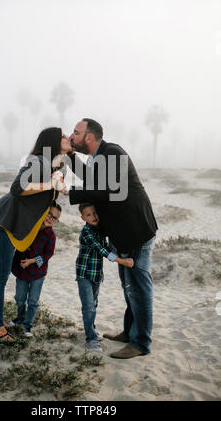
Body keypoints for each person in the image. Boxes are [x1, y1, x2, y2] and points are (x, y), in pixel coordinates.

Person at [64, 118, 158, 359]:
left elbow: (106, 189)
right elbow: (91, 178)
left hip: (136, 231)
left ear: (90, 136)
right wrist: (69, 154)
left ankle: (141, 343)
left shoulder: (112, 152)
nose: (72, 135)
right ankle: (129, 332)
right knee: (130, 289)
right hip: (121, 234)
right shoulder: (98, 159)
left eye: (76, 132)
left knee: (138, 288)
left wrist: (69, 191)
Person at [0, 127, 72, 342]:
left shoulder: (55, 165)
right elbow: (17, 188)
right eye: (63, 136)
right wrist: (51, 183)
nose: (68, 137)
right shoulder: (39, 160)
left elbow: (46, 192)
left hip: (8, 224)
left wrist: (59, 179)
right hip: (2, 223)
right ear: (53, 141)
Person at [76, 202, 134, 352]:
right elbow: (101, 249)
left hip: (96, 274)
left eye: (95, 213)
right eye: (89, 215)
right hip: (84, 274)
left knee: (93, 304)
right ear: (83, 218)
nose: (93, 217)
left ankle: (92, 330)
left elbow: (108, 246)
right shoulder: (87, 232)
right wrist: (122, 261)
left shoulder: (100, 230)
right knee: (88, 306)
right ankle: (91, 340)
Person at [10, 201, 61, 337]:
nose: (50, 218)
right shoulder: (31, 226)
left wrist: (32, 261)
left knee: (33, 301)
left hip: (38, 273)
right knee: (20, 297)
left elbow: (48, 254)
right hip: (21, 269)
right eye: (49, 214)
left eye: (54, 218)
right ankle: (20, 318)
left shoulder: (51, 235)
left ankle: (28, 326)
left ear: (56, 221)